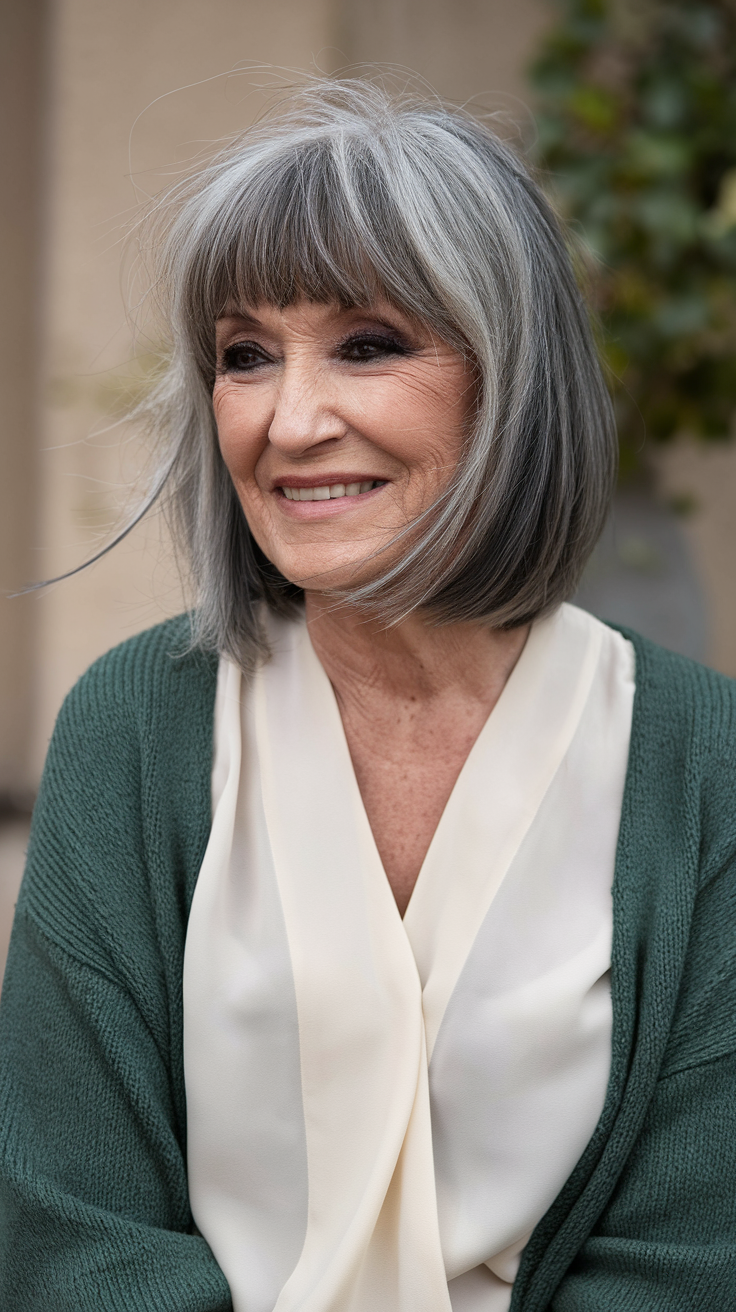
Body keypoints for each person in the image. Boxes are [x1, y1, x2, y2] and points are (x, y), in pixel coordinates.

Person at [0, 80, 733, 1312]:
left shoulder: (703, 760)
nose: (288, 420)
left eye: (369, 344)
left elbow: (691, 1260)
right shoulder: (136, 725)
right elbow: (69, 1228)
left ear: (510, 379)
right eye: (244, 356)